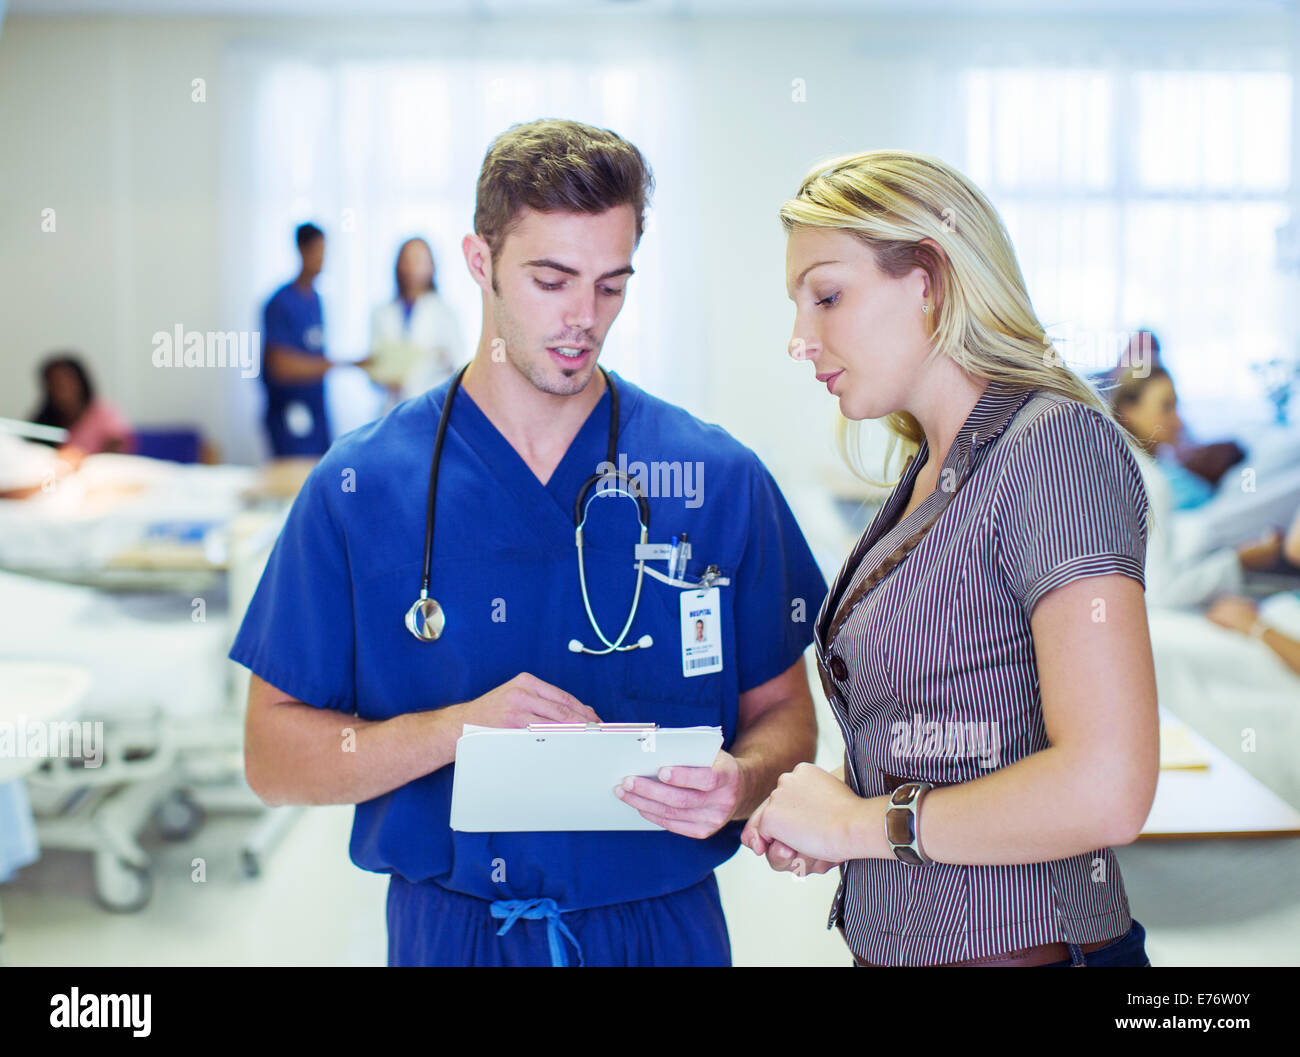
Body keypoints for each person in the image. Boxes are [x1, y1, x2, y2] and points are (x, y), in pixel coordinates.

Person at [229, 119, 828, 967]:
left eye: (612, 285)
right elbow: (271, 756)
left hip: (665, 931)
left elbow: (783, 715)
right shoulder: (362, 487)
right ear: (480, 262)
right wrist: (453, 730)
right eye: (551, 280)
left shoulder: (716, 477)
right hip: (455, 935)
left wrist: (745, 781)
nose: (584, 319)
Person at [741, 149, 1158, 967]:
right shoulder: (933, 470)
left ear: (928, 279)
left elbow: (1108, 786)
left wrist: (859, 824)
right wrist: (834, 803)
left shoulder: (1054, 448)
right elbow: (943, 731)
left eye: (827, 296)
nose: (801, 339)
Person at [1108, 361, 1284, 607]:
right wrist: (1238, 563)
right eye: (1166, 407)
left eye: (1176, 406)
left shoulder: (1127, 462)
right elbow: (1162, 593)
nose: (1178, 421)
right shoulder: (1149, 480)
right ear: (1130, 411)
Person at [260, 222, 346, 457]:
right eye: (317, 251)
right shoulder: (279, 303)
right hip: (290, 414)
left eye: (324, 252)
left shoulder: (316, 300)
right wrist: (339, 364)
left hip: (317, 413)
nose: (322, 259)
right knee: (295, 481)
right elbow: (280, 367)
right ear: (302, 250)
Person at [365, 237, 464, 402]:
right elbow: (374, 371)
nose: (412, 267)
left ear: (431, 266)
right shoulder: (381, 313)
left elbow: (459, 368)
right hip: (392, 407)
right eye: (407, 260)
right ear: (398, 265)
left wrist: (442, 359)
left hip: (432, 408)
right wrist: (384, 376)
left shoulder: (446, 313)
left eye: (418, 260)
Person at [29, 353, 133, 457]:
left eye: (66, 382)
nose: (61, 389)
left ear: (80, 382)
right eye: (54, 383)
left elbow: (115, 451)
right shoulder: (44, 419)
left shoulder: (105, 414)